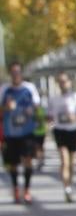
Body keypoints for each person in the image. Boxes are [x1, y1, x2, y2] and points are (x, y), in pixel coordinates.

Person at [1, 62, 43, 204]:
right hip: (10, 133)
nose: (16, 75)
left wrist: (32, 109)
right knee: (12, 163)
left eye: (18, 72)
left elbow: (37, 105)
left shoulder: (29, 88)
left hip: (27, 132)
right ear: (10, 74)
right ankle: (15, 188)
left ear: (21, 73)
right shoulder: (5, 90)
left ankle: (26, 190)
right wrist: (6, 107)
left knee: (28, 160)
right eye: (13, 73)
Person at [44, 73, 76, 202]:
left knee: (72, 163)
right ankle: (66, 188)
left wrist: (75, 117)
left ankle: (69, 183)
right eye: (60, 82)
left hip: (73, 130)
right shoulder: (54, 99)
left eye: (64, 81)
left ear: (69, 82)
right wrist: (51, 124)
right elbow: (49, 118)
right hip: (59, 131)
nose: (62, 84)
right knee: (64, 160)